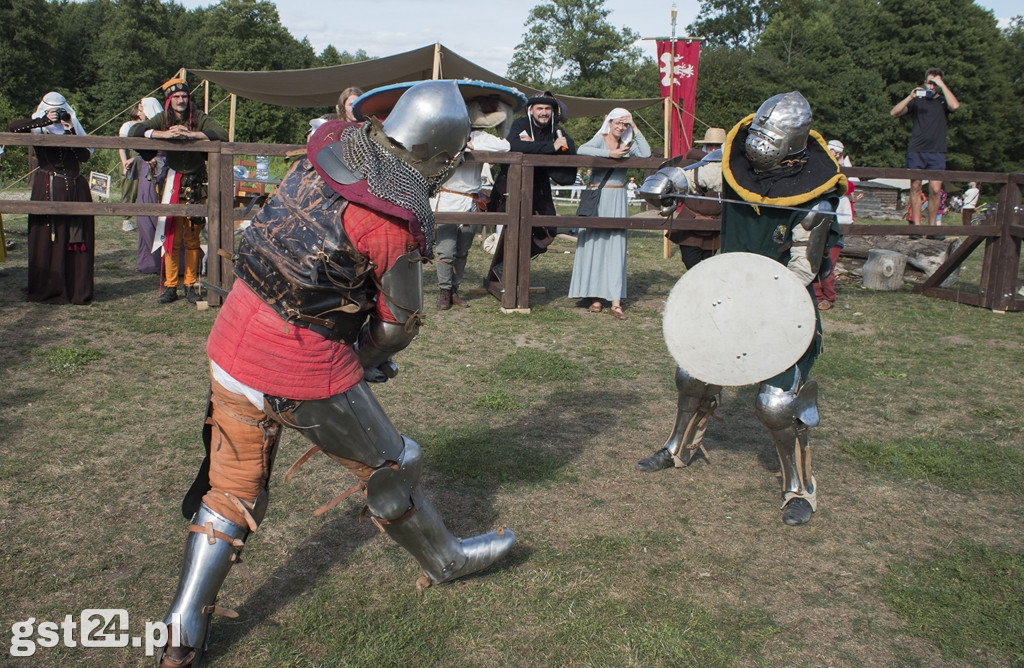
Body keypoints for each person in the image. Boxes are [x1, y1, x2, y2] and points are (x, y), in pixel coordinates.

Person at [154, 80, 515, 668]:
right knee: (397, 464)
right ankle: (446, 559)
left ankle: (182, 623)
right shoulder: (390, 222)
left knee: (232, 489)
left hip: (233, 338)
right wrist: (368, 355)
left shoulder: (331, 155)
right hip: (300, 367)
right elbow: (398, 326)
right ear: (441, 156)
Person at [637, 91, 845, 526]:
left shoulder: (817, 199)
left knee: (776, 404)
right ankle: (680, 449)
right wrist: (666, 182)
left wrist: (763, 300)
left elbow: (803, 267)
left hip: (781, 305)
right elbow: (692, 176)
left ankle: (798, 488)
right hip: (728, 294)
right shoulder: (736, 167)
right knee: (692, 372)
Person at [129, 77, 228, 304]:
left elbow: (220, 133)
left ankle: (191, 285)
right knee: (171, 238)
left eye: (184, 96)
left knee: (192, 239)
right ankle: (171, 285)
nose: (181, 101)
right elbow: (136, 130)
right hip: (172, 183)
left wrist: (192, 135)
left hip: (195, 184)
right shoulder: (163, 118)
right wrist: (165, 134)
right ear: (169, 100)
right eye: (177, 97)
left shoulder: (198, 117)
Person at [429, 88, 519, 310]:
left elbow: (505, 146)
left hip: (470, 201)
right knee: (446, 250)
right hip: (447, 198)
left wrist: (473, 143)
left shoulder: (478, 136)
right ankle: (444, 290)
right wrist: (459, 146)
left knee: (462, 250)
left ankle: (454, 291)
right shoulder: (442, 134)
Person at [484, 91, 576, 299]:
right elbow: (513, 146)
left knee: (548, 232)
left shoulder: (557, 130)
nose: (544, 113)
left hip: (540, 188)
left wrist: (535, 148)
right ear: (532, 110)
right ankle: (507, 272)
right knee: (514, 230)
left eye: (547, 109)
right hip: (513, 186)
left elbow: (568, 150)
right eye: (540, 108)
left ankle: (506, 265)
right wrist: (550, 148)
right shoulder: (520, 125)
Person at [8, 92, 95, 305]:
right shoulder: (38, 125)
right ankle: (48, 287)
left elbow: (85, 156)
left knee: (75, 238)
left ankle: (76, 288)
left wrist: (71, 129)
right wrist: (45, 120)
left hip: (75, 187)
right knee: (48, 236)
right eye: (53, 109)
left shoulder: (71, 126)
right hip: (47, 186)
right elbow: (13, 127)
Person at [568, 108, 651, 320]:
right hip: (598, 197)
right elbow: (582, 150)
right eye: (618, 123)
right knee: (595, 244)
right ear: (610, 122)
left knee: (615, 245)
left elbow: (646, 154)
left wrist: (636, 127)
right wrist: (609, 154)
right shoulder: (600, 138)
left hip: (617, 199)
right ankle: (596, 297)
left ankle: (615, 301)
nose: (621, 128)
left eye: (625, 125)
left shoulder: (628, 143)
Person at [890, 67, 959, 229]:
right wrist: (910, 96)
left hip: (937, 151)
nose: (931, 86)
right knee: (915, 187)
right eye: (929, 82)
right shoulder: (917, 101)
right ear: (924, 82)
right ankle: (917, 225)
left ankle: (932, 226)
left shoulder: (943, 101)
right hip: (916, 150)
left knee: (935, 190)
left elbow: (955, 106)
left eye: (934, 83)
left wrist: (942, 85)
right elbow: (894, 112)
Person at [665, 126, 727, 269]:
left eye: (717, 146)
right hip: (691, 219)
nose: (713, 149)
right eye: (710, 145)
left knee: (706, 265)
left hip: (714, 223)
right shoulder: (692, 164)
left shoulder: (728, 167)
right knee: (690, 262)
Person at [119, 97, 165, 274]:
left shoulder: (161, 127)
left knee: (155, 217)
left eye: (142, 108)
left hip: (160, 173)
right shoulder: (140, 127)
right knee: (144, 217)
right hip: (146, 172)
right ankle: (149, 261)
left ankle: (162, 260)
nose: (140, 111)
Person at [118, 102, 146, 232]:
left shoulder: (149, 125)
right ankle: (126, 219)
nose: (143, 112)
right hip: (130, 160)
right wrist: (125, 162)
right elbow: (122, 145)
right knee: (129, 190)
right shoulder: (127, 125)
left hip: (144, 159)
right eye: (141, 110)